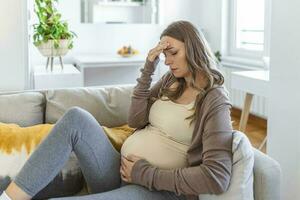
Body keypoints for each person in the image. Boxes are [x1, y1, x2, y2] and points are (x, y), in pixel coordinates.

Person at [0, 20, 233, 200]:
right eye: (164, 55)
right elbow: (135, 120)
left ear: (193, 48)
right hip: (119, 173)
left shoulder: (214, 100)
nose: (168, 60)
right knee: (76, 117)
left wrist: (143, 173)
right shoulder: (171, 81)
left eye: (174, 53)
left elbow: (216, 177)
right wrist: (148, 69)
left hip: (159, 190)